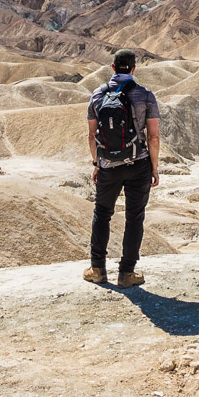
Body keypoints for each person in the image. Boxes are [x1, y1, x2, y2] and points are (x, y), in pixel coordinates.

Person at [84, 49, 160, 287]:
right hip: (139, 164)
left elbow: (91, 134)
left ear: (113, 67)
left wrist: (97, 163)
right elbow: (154, 137)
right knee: (134, 217)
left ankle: (97, 269)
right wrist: (154, 168)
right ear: (134, 69)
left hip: (108, 165)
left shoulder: (98, 94)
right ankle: (126, 274)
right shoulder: (145, 95)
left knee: (102, 214)